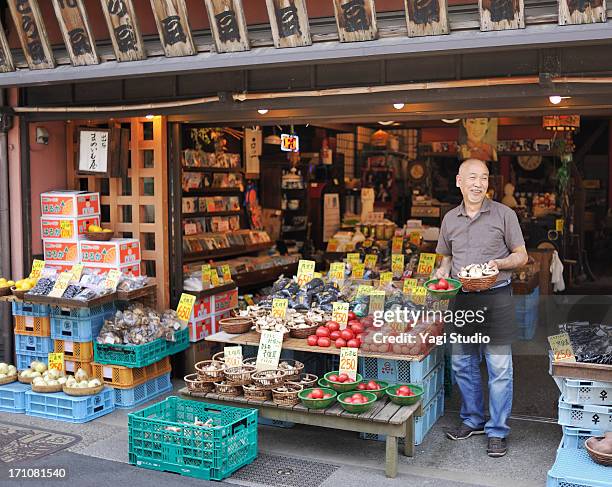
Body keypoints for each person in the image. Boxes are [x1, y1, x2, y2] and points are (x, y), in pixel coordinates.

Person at [435, 159, 528, 458]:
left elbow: (522, 256)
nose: (478, 183)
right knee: (463, 363)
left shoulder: (504, 214)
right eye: (472, 177)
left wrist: (499, 264)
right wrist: (440, 275)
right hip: (462, 298)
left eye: (484, 178)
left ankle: (497, 430)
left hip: (497, 295)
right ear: (459, 181)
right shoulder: (449, 219)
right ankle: (473, 419)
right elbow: (446, 259)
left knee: (499, 368)